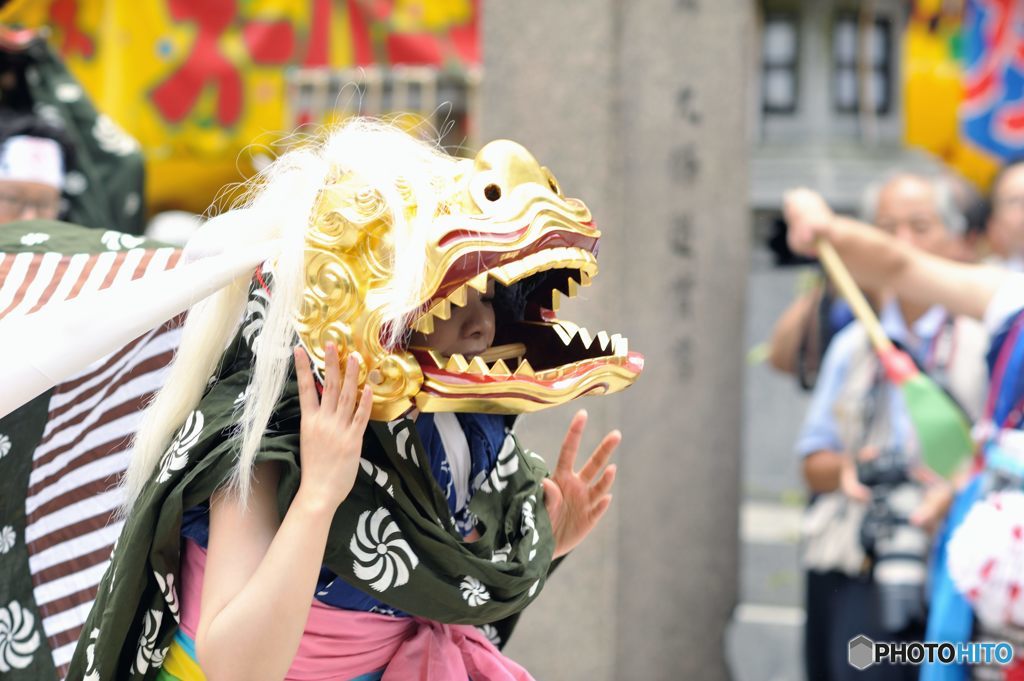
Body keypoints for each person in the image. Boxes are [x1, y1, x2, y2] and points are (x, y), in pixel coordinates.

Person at [66, 119, 642, 681]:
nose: (483, 328)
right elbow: (235, 668)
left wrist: (545, 544)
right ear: (370, 307)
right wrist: (318, 494)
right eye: (452, 301)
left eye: (490, 297)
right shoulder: (268, 437)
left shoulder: (461, 430)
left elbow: (445, 610)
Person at [785, 187, 1024, 681]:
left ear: (964, 241)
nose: (904, 241)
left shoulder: (982, 330)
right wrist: (822, 226)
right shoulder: (1008, 305)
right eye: (889, 227)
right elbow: (897, 267)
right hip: (943, 570)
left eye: (921, 225)